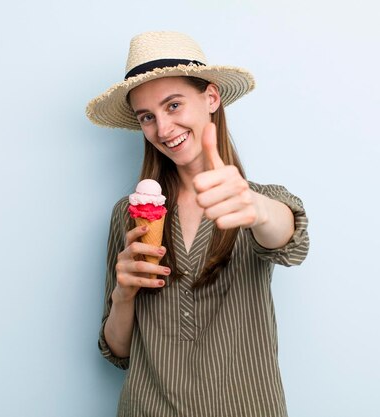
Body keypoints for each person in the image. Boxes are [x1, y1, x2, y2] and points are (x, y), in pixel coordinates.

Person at [86, 31, 309, 417]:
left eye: (173, 105)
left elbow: (289, 239)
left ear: (210, 98)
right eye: (147, 117)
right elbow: (119, 351)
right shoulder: (129, 213)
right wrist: (123, 295)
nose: (163, 128)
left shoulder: (257, 200)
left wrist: (255, 207)